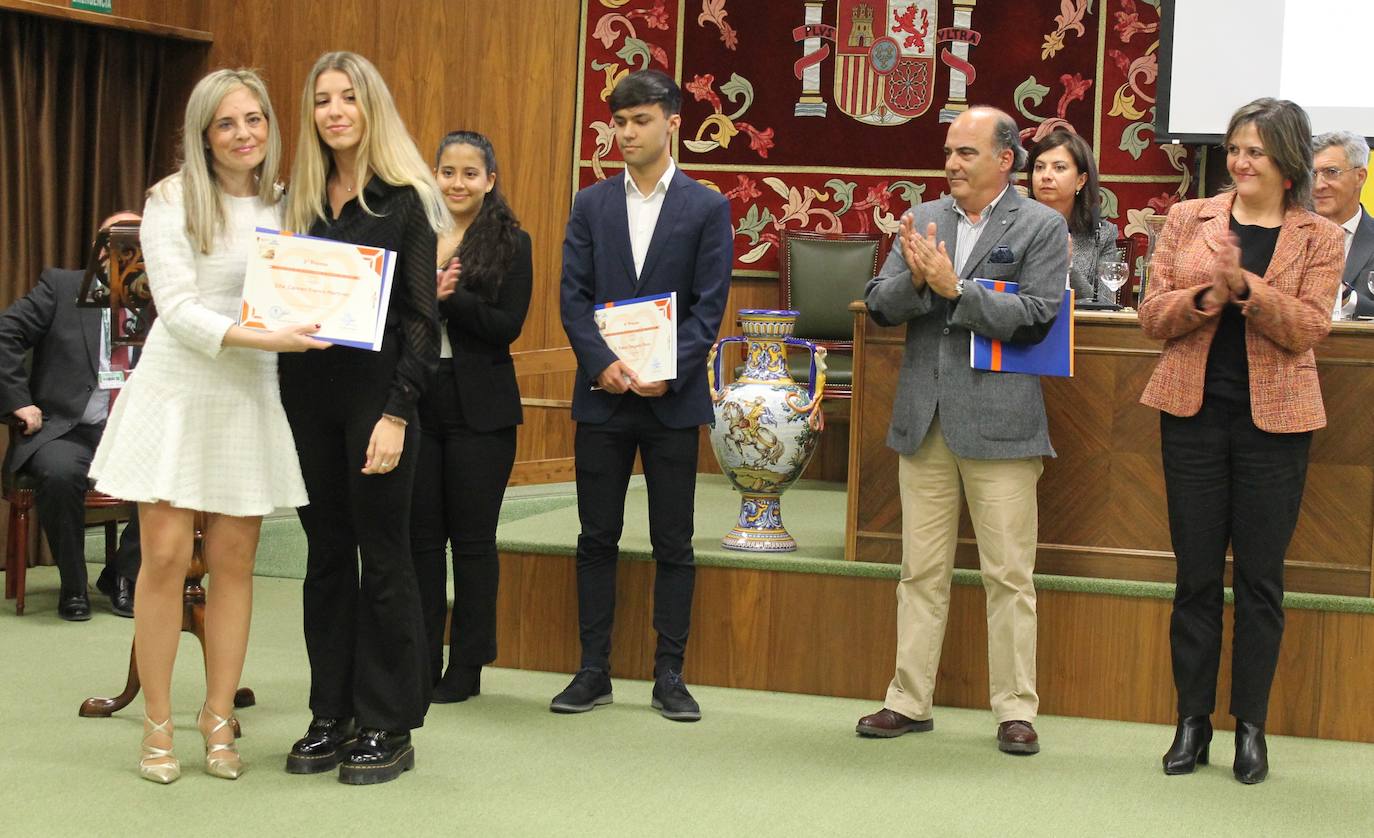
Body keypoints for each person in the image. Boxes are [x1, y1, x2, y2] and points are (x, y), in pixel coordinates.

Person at [89, 69, 325, 783]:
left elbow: (324, 284)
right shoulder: (170, 199)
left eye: (254, 119)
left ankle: (217, 719)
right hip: (178, 392)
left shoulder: (288, 204)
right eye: (227, 123)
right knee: (162, 561)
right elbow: (181, 311)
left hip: (247, 398)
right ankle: (156, 725)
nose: (244, 133)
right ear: (203, 133)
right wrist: (269, 340)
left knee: (234, 568)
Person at [1138, 98, 1342, 784]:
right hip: (1192, 419)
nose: (1240, 161)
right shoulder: (1186, 218)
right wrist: (1207, 296)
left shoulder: (1321, 235)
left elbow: (1309, 327)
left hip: (1275, 428)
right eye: (1234, 149)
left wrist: (1246, 288)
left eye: (1255, 150)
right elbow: (1152, 314)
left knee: (1260, 581)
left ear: (1288, 162)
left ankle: (1250, 728)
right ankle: (1191, 724)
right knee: (1194, 577)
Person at [854, 106, 1068, 755]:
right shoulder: (921, 219)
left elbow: (1036, 317)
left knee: (1008, 574)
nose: (951, 164)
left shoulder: (1041, 225)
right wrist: (919, 282)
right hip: (925, 420)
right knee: (920, 570)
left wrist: (956, 288)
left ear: (1005, 160)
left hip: (1002, 426)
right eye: (949, 152)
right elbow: (880, 303)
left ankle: (1014, 709)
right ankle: (908, 699)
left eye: (966, 153)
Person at [279, 51, 443, 785]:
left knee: (383, 557)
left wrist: (397, 413)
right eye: (322, 100)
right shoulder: (300, 201)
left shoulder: (405, 198)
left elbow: (419, 319)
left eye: (348, 98)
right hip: (307, 398)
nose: (335, 111)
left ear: (371, 108)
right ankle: (331, 712)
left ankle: (387, 722)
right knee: (322, 559)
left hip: (376, 400)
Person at [553, 69, 731, 722]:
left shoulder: (707, 207)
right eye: (619, 122)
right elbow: (572, 296)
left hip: (670, 400)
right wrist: (600, 363)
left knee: (673, 542)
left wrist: (671, 370)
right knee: (596, 536)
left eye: (640, 121)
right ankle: (592, 670)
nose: (626, 133)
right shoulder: (591, 204)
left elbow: (710, 308)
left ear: (672, 123)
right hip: (603, 397)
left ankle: (669, 675)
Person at [412, 130, 531, 703]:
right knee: (422, 542)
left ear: (489, 180)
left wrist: (449, 299)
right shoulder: (413, 232)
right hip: (414, 398)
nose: (457, 183)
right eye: (447, 172)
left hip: (479, 406)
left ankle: (467, 666)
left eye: (469, 173)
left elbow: (508, 325)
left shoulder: (512, 241)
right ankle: (420, 658)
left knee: (473, 543)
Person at [0, 212, 143, 620]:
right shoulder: (61, 288)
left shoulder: (160, 300)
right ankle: (73, 584)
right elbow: (4, 334)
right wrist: (18, 401)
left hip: (133, 428)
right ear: (100, 248)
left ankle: (121, 575)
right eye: (117, 238)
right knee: (59, 473)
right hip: (67, 428)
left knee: (169, 475)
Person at [1026, 129, 1121, 305]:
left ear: (1081, 180)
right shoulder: (1013, 223)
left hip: (1079, 330)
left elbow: (1105, 304)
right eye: (1039, 167)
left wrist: (1067, 266)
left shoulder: (1102, 234)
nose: (1046, 176)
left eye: (1059, 167)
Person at [1311, 130, 1373, 318]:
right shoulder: (1290, 234)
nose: (1318, 185)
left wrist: (1345, 297)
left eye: (1331, 172)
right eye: (1313, 174)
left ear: (1360, 177)